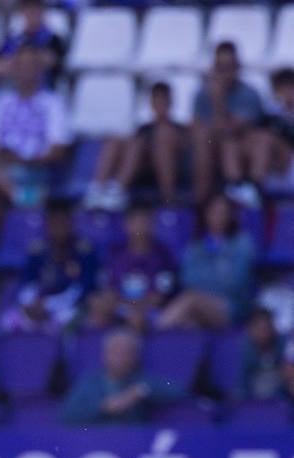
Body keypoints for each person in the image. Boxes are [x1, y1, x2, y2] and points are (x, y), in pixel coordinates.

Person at [0, 44, 70, 222]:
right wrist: (6, 156)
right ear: (14, 70)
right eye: (21, 66)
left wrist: (25, 159)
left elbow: (58, 150)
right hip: (4, 165)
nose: (26, 70)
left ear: (39, 70)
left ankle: (7, 234)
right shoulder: (1, 101)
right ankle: (17, 196)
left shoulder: (53, 102)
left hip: (36, 168)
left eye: (31, 65)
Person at [84, 81, 189, 211]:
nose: (160, 105)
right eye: (157, 101)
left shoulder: (178, 128)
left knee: (160, 136)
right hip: (141, 172)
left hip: (167, 177)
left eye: (164, 101)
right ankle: (99, 189)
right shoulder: (143, 129)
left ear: (170, 102)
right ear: (151, 103)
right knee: (117, 139)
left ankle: (119, 190)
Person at [156, 194, 256, 331]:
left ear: (231, 215)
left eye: (223, 212)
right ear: (206, 214)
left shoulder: (242, 244)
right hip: (200, 309)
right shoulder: (196, 246)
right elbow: (188, 279)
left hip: (232, 307)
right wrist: (217, 277)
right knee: (188, 325)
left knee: (190, 299)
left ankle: (156, 332)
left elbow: (237, 281)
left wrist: (204, 285)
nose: (219, 217)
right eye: (214, 212)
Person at [0, 198, 98, 335]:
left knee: (68, 320)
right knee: (8, 320)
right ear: (48, 225)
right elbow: (27, 283)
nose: (59, 228)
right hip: (39, 306)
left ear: (71, 223)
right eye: (55, 223)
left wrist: (49, 305)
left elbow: (83, 289)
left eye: (63, 222)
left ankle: (63, 356)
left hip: (70, 307)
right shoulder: (38, 251)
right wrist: (30, 303)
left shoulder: (83, 251)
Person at [191, 41, 263, 208]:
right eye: (220, 67)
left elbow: (233, 130)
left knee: (228, 144)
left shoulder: (249, 94)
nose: (225, 73)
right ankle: (198, 206)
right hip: (211, 148)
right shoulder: (201, 95)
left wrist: (218, 100)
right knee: (203, 142)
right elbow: (196, 129)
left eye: (229, 66)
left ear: (237, 67)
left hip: (241, 148)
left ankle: (239, 188)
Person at [86, 202, 177, 331]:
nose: (141, 227)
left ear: (153, 225)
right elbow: (109, 291)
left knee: (137, 319)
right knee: (97, 309)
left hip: (151, 313)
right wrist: (126, 308)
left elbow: (158, 298)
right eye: (137, 222)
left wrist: (134, 309)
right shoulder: (115, 255)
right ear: (127, 225)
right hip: (121, 309)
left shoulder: (163, 257)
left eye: (145, 222)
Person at [60, 326, 176, 424]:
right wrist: (104, 407)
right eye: (116, 352)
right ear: (106, 355)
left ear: (135, 357)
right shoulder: (91, 381)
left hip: (135, 442)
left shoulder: (142, 378)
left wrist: (140, 391)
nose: (121, 358)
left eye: (126, 353)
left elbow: (177, 391)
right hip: (97, 443)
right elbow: (68, 414)